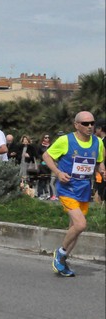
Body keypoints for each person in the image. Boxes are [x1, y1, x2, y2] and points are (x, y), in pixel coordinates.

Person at [43, 111, 105, 277]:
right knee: (80, 224)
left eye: (92, 123)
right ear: (76, 125)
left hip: (84, 189)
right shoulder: (66, 140)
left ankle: (62, 262)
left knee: (75, 228)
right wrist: (57, 172)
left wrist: (102, 169)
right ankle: (61, 252)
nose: (90, 126)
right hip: (67, 189)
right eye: (85, 124)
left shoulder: (98, 142)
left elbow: (99, 161)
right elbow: (46, 155)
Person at [94, 119, 106, 202]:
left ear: (100, 129)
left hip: (102, 172)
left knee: (100, 193)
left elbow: (102, 157)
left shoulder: (101, 142)